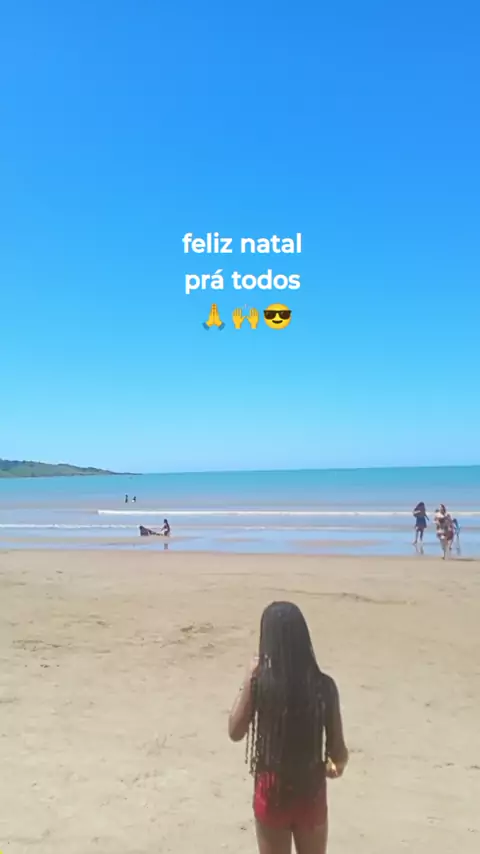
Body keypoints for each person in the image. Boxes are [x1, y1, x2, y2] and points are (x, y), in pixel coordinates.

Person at [228, 601, 348, 854]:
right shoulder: (324, 687)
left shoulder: (261, 687)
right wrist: (334, 766)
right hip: (310, 790)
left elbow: (235, 732)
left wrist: (249, 679)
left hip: (272, 791)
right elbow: (338, 752)